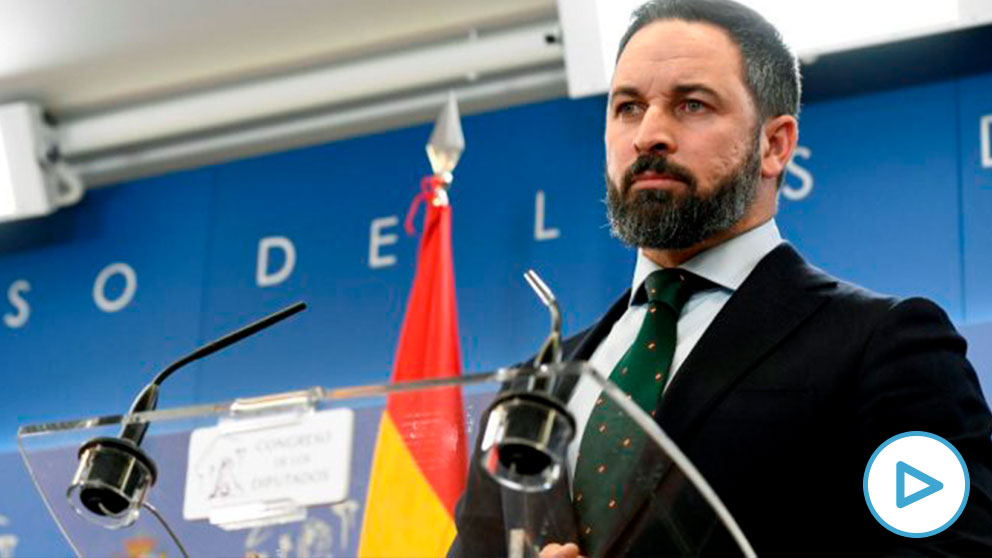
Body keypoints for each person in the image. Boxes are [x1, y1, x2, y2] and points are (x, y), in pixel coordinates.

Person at [450, 0, 992, 555]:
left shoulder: (885, 346)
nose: (649, 135)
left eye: (691, 104)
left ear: (774, 144)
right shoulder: (532, 387)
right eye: (628, 107)